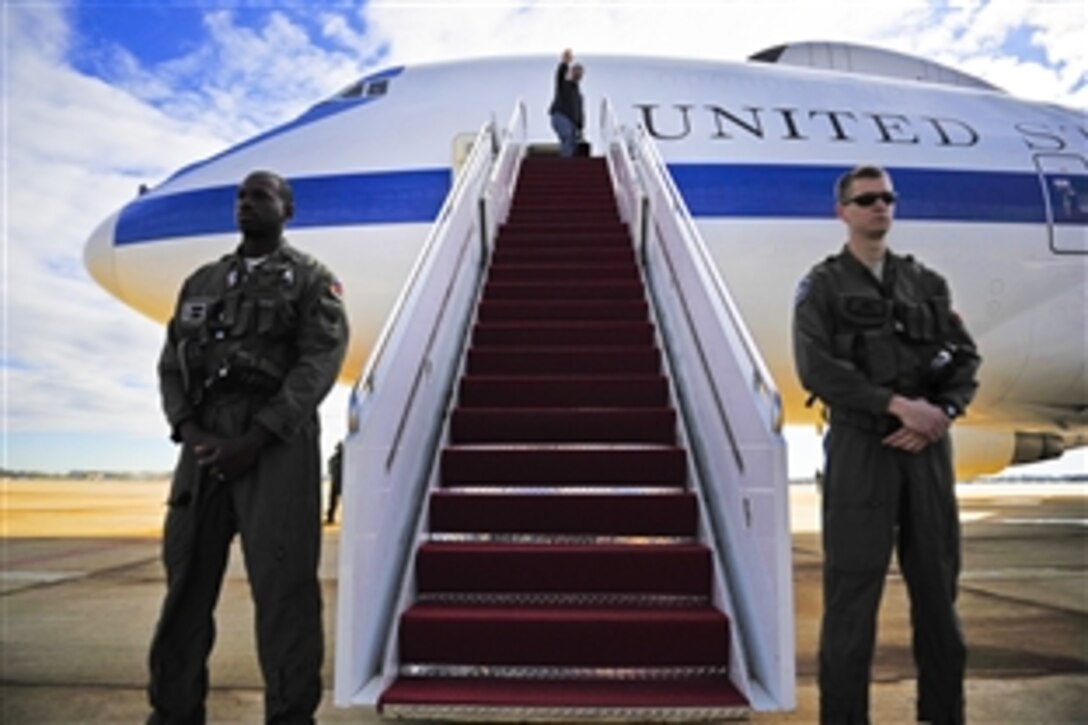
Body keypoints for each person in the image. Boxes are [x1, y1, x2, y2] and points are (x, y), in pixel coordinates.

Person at [149, 170, 348, 724]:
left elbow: (318, 364)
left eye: (260, 196)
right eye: (240, 196)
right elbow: (171, 365)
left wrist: (257, 437)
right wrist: (190, 432)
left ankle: (289, 717)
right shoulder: (202, 282)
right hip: (204, 442)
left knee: (285, 593)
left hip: (275, 443)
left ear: (288, 209)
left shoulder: (312, 280)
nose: (245, 203)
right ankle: (172, 713)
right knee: (185, 586)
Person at [792, 164, 981, 725]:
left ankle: (944, 715)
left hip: (926, 451)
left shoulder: (928, 284)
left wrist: (941, 414)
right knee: (851, 596)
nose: (880, 207)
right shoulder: (822, 285)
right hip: (860, 448)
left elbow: (964, 359)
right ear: (843, 211)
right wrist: (902, 407)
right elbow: (816, 369)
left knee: (938, 595)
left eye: (887, 198)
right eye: (867, 199)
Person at [549, 48, 585, 157]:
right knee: (567, 137)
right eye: (576, 71)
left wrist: (580, 127)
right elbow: (559, 76)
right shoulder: (564, 85)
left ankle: (567, 161)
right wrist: (565, 63)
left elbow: (580, 112)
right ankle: (564, 164)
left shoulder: (578, 94)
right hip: (560, 116)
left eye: (580, 73)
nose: (578, 75)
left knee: (572, 143)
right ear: (571, 72)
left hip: (572, 122)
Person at [325, 441, 343, 525]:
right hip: (336, 482)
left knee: (333, 501)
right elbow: (330, 469)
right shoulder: (333, 459)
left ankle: (331, 517)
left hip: (341, 482)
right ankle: (330, 517)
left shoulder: (346, 459)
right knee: (332, 502)